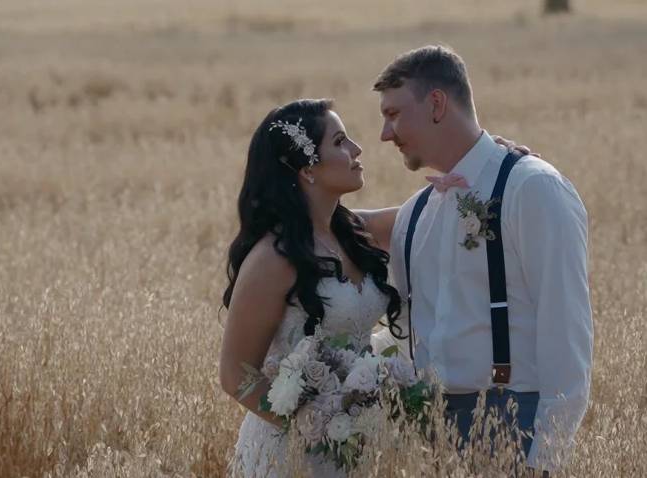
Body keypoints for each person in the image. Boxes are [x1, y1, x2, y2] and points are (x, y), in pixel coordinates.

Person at [367, 45, 593, 476]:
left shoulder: (533, 188)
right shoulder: (416, 212)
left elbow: (568, 337)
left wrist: (544, 459)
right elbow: (334, 228)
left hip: (515, 424)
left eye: (393, 114)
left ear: (436, 104)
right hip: (432, 435)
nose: (384, 134)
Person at [219, 98, 407, 477]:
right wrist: (314, 427)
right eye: (340, 142)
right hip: (288, 455)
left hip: (355, 447)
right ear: (307, 169)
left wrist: (495, 160)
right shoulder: (273, 259)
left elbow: (438, 213)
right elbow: (235, 376)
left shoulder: (357, 231)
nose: (356, 150)